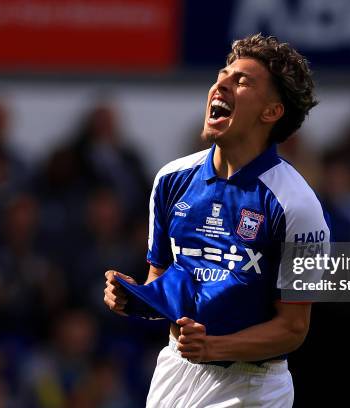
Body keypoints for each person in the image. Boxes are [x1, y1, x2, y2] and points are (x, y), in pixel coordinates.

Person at [104, 33, 328, 407]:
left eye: (242, 81)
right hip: (174, 372)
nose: (221, 83)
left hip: (249, 387)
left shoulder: (298, 205)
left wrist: (214, 346)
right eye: (223, 74)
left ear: (271, 111)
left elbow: (292, 329)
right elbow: (164, 283)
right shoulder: (170, 180)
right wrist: (139, 299)